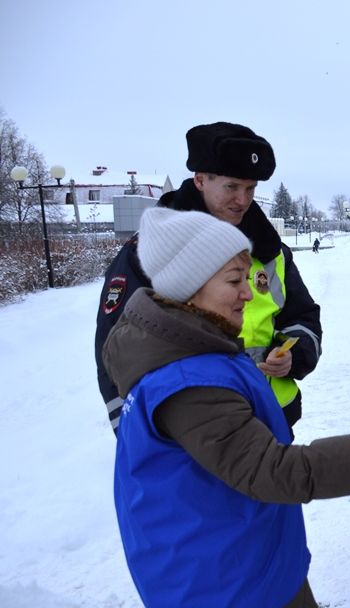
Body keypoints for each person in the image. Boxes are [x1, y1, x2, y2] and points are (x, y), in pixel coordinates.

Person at [102, 206, 350, 608]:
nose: (247, 295)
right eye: (234, 281)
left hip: (231, 582)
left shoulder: (188, 355)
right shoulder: (189, 382)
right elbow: (271, 471)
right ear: (188, 289)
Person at [95, 121, 322, 435]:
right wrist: (133, 432)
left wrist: (293, 355)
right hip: (191, 433)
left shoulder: (272, 252)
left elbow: (303, 317)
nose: (243, 199)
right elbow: (115, 348)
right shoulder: (148, 252)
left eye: (251, 188)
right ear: (200, 180)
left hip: (270, 419)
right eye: (232, 187)